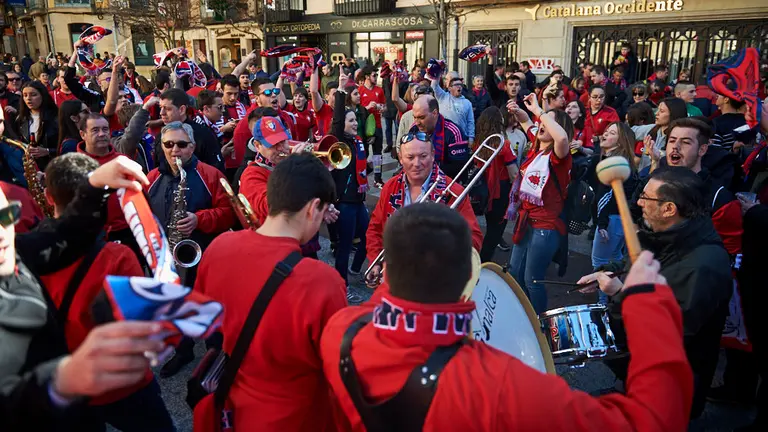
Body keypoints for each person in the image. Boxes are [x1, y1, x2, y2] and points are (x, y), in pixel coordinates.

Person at [322, 202, 693, 431]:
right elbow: (651, 422)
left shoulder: (340, 328)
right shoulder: (499, 388)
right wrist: (647, 304)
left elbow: (384, 306)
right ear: (469, 277)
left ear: (389, 270)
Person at [1, 156, 168, 431]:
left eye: (6, 216)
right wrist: (63, 378)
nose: (2, 235)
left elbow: (66, 234)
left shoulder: (20, 249)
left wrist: (95, 184)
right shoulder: (117, 256)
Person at [194, 153, 346, 431]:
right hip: (295, 415)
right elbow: (337, 369)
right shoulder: (322, 281)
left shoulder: (218, 247)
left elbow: (206, 322)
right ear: (313, 208)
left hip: (232, 407)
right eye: (322, 214)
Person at [580, 166, 732, 419]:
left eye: (646, 197)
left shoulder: (703, 265)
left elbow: (671, 331)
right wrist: (607, 271)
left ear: (669, 209)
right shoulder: (672, 234)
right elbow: (640, 260)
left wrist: (621, 293)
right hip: (639, 366)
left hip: (670, 385)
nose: (638, 201)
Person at [146, 121, 234, 377]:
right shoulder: (152, 179)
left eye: (182, 145)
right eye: (169, 145)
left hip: (205, 255)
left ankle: (215, 354)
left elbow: (229, 214)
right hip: (171, 258)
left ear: (192, 147)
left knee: (209, 306)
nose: (175, 150)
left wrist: (200, 219)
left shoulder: (211, 174)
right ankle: (183, 351)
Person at [364, 132, 483, 287]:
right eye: (410, 157)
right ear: (400, 158)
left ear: (433, 155)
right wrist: (375, 261)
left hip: (433, 285)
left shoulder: (453, 191)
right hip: (394, 280)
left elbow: (474, 240)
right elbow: (375, 229)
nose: (417, 163)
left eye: (423, 156)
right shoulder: (390, 187)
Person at [506, 94, 573, 314]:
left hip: (545, 226)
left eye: (547, 122)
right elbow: (526, 121)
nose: (541, 124)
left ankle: (538, 323)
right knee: (515, 272)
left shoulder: (559, 155)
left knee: (532, 279)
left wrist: (540, 111)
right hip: (526, 222)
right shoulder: (537, 148)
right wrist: (518, 110)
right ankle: (521, 314)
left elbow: (562, 139)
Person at [586, 122, 638, 304]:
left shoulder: (613, 165)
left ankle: (604, 309)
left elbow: (607, 197)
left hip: (611, 221)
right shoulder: (616, 161)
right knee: (615, 262)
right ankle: (617, 304)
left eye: (612, 132)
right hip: (618, 221)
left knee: (600, 266)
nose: (605, 134)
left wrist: (601, 223)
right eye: (606, 130)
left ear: (621, 141)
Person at [330, 71, 369, 295]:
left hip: (359, 200)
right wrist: (341, 91)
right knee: (344, 246)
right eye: (351, 120)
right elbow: (336, 121)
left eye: (356, 119)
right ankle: (341, 286)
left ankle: (355, 270)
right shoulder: (340, 141)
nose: (355, 123)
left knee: (369, 235)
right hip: (344, 202)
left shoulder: (357, 142)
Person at [475, 107, 518, 262]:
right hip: (501, 191)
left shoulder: (479, 141)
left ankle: (481, 258)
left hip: (484, 190)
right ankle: (483, 262)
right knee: (496, 230)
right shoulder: (504, 144)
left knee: (490, 226)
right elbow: (514, 173)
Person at [231, 76, 296, 174]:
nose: (273, 95)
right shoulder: (244, 127)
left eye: (275, 91)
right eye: (267, 93)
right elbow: (243, 161)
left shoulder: (286, 116)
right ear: (257, 99)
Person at [156, 88, 225, 172]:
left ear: (182, 110)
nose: (161, 113)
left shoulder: (203, 134)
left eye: (167, 109)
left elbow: (216, 171)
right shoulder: (160, 136)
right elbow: (158, 168)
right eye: (160, 108)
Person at [407, 96, 469, 181]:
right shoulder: (414, 128)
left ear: (435, 113)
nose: (417, 123)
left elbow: (460, 167)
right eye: (414, 117)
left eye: (422, 117)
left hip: (447, 184)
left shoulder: (453, 132)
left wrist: (428, 169)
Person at [10, 80, 59, 170]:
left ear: (42, 96)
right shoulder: (20, 119)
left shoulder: (56, 117)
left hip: (54, 166)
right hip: (31, 168)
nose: (28, 98)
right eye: (25, 95)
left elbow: (68, 146)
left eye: (33, 95)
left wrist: (48, 151)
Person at [643, 98, 688, 174]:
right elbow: (626, 131)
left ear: (673, 114)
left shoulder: (681, 138)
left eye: (662, 111)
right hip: (642, 178)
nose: (656, 113)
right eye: (658, 110)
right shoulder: (651, 129)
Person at [357, 66, 385, 186]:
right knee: (364, 154)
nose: (376, 77)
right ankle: (361, 177)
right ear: (367, 76)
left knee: (378, 154)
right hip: (364, 127)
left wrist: (380, 107)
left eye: (377, 75)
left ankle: (377, 179)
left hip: (377, 125)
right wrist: (367, 107)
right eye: (374, 75)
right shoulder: (359, 91)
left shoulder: (379, 90)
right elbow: (356, 109)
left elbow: (385, 106)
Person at [430, 73, 475, 145]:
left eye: (461, 85)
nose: (459, 87)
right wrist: (438, 72)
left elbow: (470, 122)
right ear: (449, 88)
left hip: (460, 137)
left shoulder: (467, 103)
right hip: (443, 136)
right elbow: (434, 86)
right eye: (456, 85)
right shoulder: (442, 96)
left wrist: (471, 138)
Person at [218, 75, 247, 179]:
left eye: (236, 94)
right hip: (223, 162)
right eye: (229, 94)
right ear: (221, 90)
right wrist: (223, 129)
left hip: (241, 160)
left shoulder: (242, 107)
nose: (233, 98)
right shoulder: (214, 107)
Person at [582, 85, 620, 151]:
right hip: (582, 143)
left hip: (601, 145)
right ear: (589, 97)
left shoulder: (611, 112)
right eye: (595, 97)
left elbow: (618, 132)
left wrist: (598, 138)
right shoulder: (583, 111)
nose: (599, 100)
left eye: (601, 97)